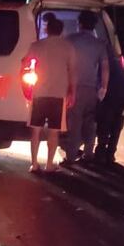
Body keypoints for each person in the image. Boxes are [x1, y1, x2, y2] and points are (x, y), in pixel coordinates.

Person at [23, 16, 77, 172]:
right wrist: (72, 92)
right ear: (61, 31)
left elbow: (26, 64)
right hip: (59, 94)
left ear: (47, 29)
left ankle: (33, 164)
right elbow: (73, 71)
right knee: (54, 131)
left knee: (36, 130)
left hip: (39, 93)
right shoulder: (68, 47)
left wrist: (26, 86)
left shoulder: (36, 46)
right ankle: (49, 164)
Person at [62, 10, 109, 164]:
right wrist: (103, 88)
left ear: (79, 23)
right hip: (92, 89)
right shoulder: (99, 44)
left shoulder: (69, 40)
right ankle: (88, 154)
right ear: (94, 26)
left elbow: (63, 65)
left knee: (74, 123)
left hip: (73, 88)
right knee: (90, 123)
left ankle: (70, 156)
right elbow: (105, 68)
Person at [95, 48, 124, 165]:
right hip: (123, 95)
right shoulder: (117, 62)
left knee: (105, 123)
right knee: (116, 124)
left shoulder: (104, 61)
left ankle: (101, 153)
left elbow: (100, 78)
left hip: (112, 94)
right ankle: (110, 154)